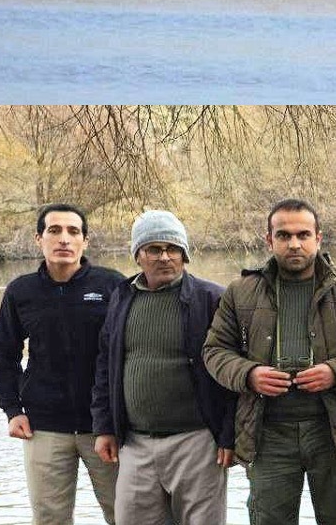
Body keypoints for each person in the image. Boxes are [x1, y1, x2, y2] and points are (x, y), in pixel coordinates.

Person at [204, 198, 336, 525]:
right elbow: (215, 351)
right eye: (284, 235)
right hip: (266, 433)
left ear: (319, 238)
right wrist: (249, 374)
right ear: (269, 240)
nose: (294, 244)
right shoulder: (241, 291)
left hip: (335, 432)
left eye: (303, 234)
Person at [92, 210, 236, 525]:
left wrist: (229, 434)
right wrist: (104, 426)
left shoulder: (211, 298)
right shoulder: (121, 297)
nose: (165, 257)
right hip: (135, 443)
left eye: (173, 249)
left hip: (198, 441)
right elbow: (106, 366)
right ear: (138, 256)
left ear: (184, 254)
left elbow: (232, 372)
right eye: (154, 249)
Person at [0, 203, 124, 525]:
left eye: (73, 231)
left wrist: (122, 414)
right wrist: (13, 409)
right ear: (39, 239)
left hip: (105, 427)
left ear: (85, 242)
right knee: (49, 520)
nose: (64, 239)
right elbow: (4, 353)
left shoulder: (113, 286)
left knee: (125, 514)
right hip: (44, 426)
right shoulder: (21, 291)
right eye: (54, 230)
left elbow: (131, 351)